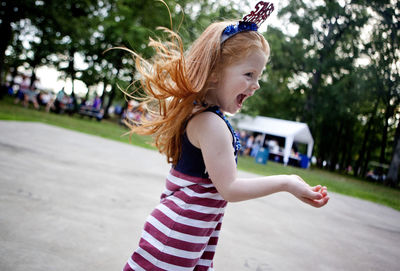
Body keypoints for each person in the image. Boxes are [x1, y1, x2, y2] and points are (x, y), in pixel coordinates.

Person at [121, 2, 329, 270]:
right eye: (249, 74)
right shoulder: (210, 123)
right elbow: (229, 189)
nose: (256, 85)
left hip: (186, 233)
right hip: (177, 238)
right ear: (216, 73)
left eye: (259, 76)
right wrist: (286, 182)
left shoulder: (203, 116)